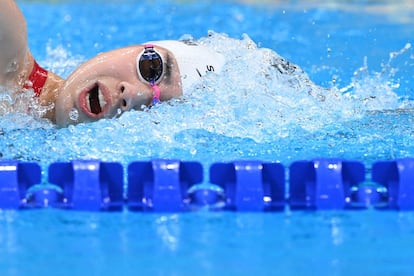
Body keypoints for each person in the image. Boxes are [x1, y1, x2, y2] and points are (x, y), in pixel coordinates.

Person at [0, 0, 225, 127]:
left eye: (156, 110)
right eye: (150, 68)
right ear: (129, 47)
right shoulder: (7, 44)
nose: (132, 95)